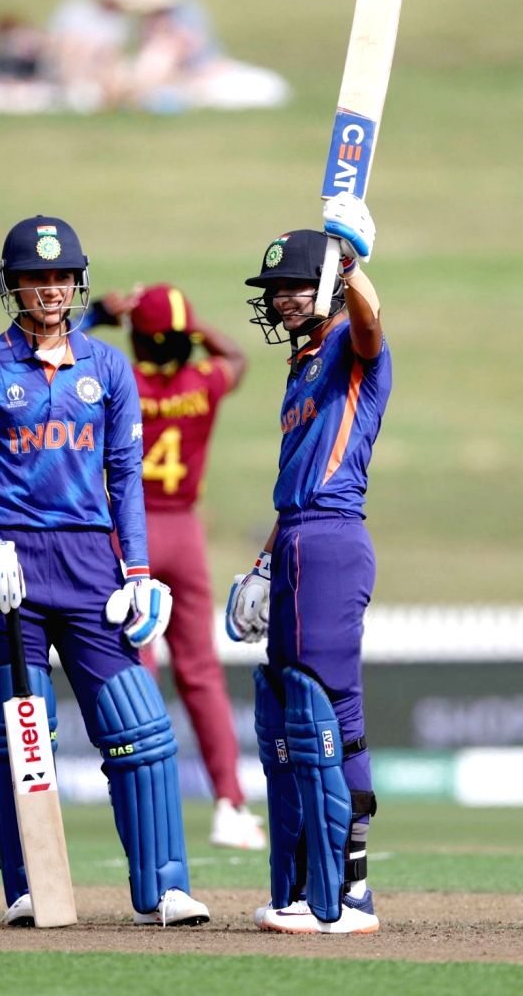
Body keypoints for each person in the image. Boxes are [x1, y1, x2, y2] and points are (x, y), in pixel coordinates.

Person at [0, 215, 210, 929]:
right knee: (20, 733)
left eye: (61, 277)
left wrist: (138, 570)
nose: (51, 289)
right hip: (9, 567)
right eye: (37, 277)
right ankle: (31, 888)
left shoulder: (107, 367)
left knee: (140, 726)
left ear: (76, 283)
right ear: (14, 285)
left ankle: (165, 888)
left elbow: (125, 475)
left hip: (90, 563)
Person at [226, 192, 391, 934]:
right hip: (294, 538)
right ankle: (300, 886)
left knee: (331, 709)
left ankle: (351, 893)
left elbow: (373, 323)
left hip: (330, 541)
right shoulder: (300, 368)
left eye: (295, 286)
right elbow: (294, 478)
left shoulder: (352, 348)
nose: (282, 300)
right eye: (276, 291)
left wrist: (349, 265)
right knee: (289, 712)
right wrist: (263, 564)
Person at [85, 283, 266, 849]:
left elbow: (59, 359)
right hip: (185, 533)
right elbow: (237, 358)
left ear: (137, 341)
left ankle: (149, 802)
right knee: (201, 673)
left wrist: (98, 315)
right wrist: (192, 327)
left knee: (137, 669)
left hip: (127, 533)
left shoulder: (118, 381)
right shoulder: (203, 382)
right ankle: (230, 805)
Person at [123, 0, 292, 112]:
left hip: (203, 74)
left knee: (268, 88)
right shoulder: (152, 28)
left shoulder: (184, 13)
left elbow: (190, 50)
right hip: (186, 80)